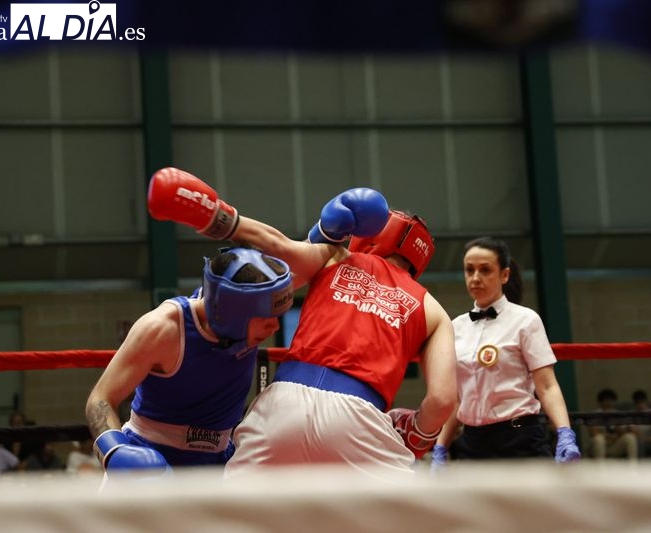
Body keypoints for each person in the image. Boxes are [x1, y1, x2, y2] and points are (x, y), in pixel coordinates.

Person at [147, 167, 458, 477]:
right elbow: (443, 400)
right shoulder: (432, 310)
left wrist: (214, 215)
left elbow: (278, 247)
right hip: (359, 422)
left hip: (283, 408)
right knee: (415, 508)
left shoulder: (335, 257)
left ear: (372, 237)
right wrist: (419, 433)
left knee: (233, 505)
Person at [85, 246, 294, 474]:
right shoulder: (162, 329)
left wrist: (322, 234)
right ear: (233, 314)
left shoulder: (244, 310)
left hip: (218, 459)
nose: (274, 326)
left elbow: (309, 262)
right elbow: (100, 398)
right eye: (265, 318)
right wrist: (114, 451)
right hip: (147, 455)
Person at [431, 236, 581, 465]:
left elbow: (547, 386)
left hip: (520, 438)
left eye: (485, 270)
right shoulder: (455, 327)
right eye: (469, 270)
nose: (475, 278)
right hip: (472, 443)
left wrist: (564, 433)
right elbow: (458, 398)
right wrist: (440, 447)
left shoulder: (526, 320)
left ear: (504, 275)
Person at [589, 388, 638, 461]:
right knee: (599, 439)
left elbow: (624, 432)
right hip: (601, 446)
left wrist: (616, 424)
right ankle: (600, 466)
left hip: (615, 445)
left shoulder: (618, 414)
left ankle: (633, 465)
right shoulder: (595, 414)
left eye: (610, 400)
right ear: (600, 402)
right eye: (605, 400)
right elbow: (593, 433)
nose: (608, 403)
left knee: (630, 437)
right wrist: (609, 437)